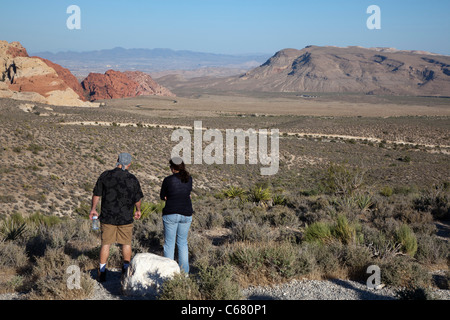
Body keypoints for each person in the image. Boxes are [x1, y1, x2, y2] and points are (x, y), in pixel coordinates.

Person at [89, 152, 144, 282]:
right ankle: (125, 270)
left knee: (106, 244)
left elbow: (97, 194)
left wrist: (93, 209)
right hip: (125, 217)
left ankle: (102, 272)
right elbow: (137, 198)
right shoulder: (132, 179)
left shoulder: (105, 175)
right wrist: (138, 210)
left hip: (108, 216)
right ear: (129, 164)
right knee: (126, 243)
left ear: (117, 160)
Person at [160, 157, 193, 274]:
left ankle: (169, 273)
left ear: (173, 168)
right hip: (186, 213)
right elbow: (187, 193)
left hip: (171, 213)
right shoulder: (189, 179)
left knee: (169, 243)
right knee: (183, 243)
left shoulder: (168, 180)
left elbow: (162, 196)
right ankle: (184, 274)